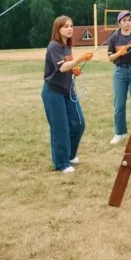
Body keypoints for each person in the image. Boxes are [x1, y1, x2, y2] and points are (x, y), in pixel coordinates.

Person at [42, 16, 93, 174]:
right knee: (61, 128)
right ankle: (61, 163)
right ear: (58, 29)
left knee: (79, 123)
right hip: (53, 92)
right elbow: (62, 67)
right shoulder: (54, 46)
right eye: (65, 26)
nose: (70, 28)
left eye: (71, 26)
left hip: (68, 90)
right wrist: (79, 59)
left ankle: (70, 155)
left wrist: (74, 70)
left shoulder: (67, 46)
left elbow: (67, 68)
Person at [106, 11, 131, 145]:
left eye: (129, 20)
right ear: (119, 23)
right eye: (124, 20)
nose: (127, 22)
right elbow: (110, 58)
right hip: (119, 73)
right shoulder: (114, 37)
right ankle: (120, 133)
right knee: (119, 105)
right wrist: (119, 53)